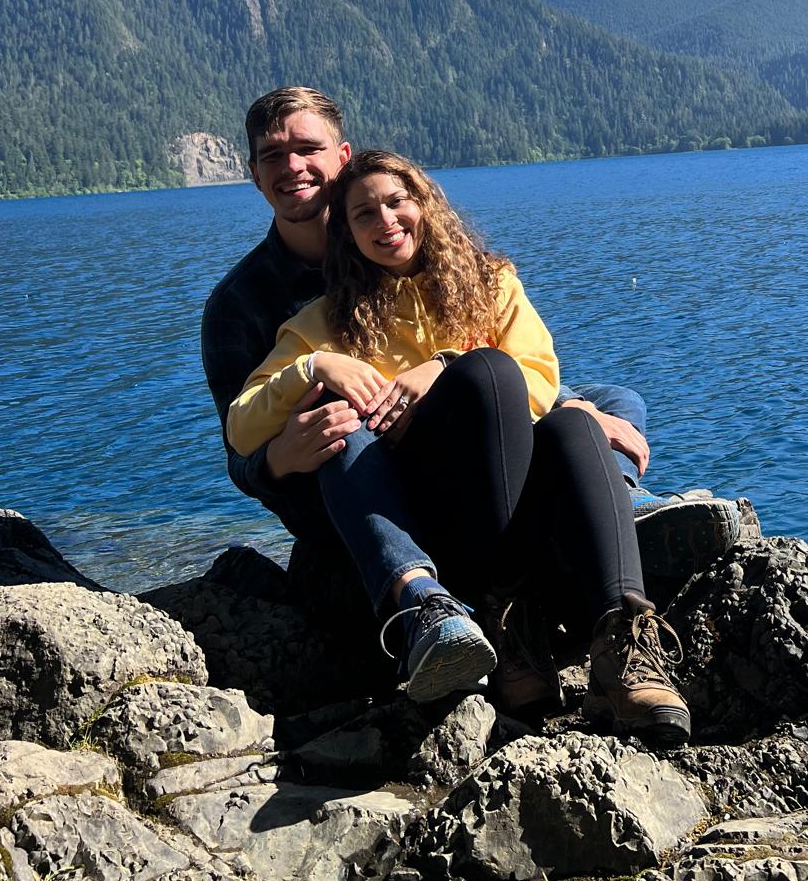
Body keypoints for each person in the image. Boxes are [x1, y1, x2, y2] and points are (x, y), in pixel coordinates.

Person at [227, 147, 690, 745]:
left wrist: (442, 367)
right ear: (345, 232)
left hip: (512, 496)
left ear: (426, 205)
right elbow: (241, 426)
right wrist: (315, 365)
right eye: (364, 213)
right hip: (429, 512)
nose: (385, 220)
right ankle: (503, 615)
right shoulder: (326, 320)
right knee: (476, 377)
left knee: (570, 419)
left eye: (398, 202)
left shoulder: (489, 281)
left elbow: (540, 376)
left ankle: (622, 638)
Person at [200, 87, 745, 584]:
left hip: (459, 422)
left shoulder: (423, 263)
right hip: (361, 475)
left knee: (614, 401)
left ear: (342, 159)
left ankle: (623, 506)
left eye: (307, 148)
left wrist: (568, 404)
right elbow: (240, 450)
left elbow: (496, 363)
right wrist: (277, 459)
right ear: (253, 173)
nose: (292, 166)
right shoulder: (242, 305)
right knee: (363, 440)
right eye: (273, 155)